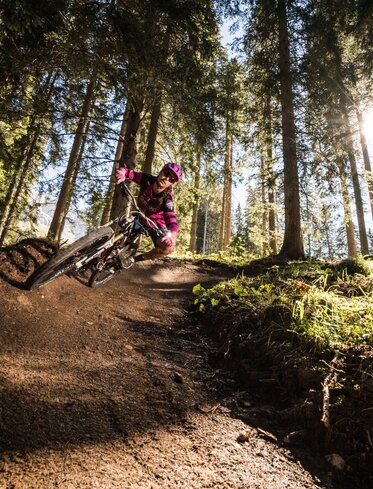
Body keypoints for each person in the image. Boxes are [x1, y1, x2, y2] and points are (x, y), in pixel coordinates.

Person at [115, 162, 182, 267]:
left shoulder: (167, 199)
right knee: (122, 231)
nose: (166, 179)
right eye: (166, 173)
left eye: (171, 179)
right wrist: (122, 172)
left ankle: (134, 259)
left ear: (172, 184)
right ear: (161, 171)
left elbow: (171, 219)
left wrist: (172, 236)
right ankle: (104, 253)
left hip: (155, 225)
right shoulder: (146, 179)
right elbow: (130, 173)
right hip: (139, 216)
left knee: (169, 248)